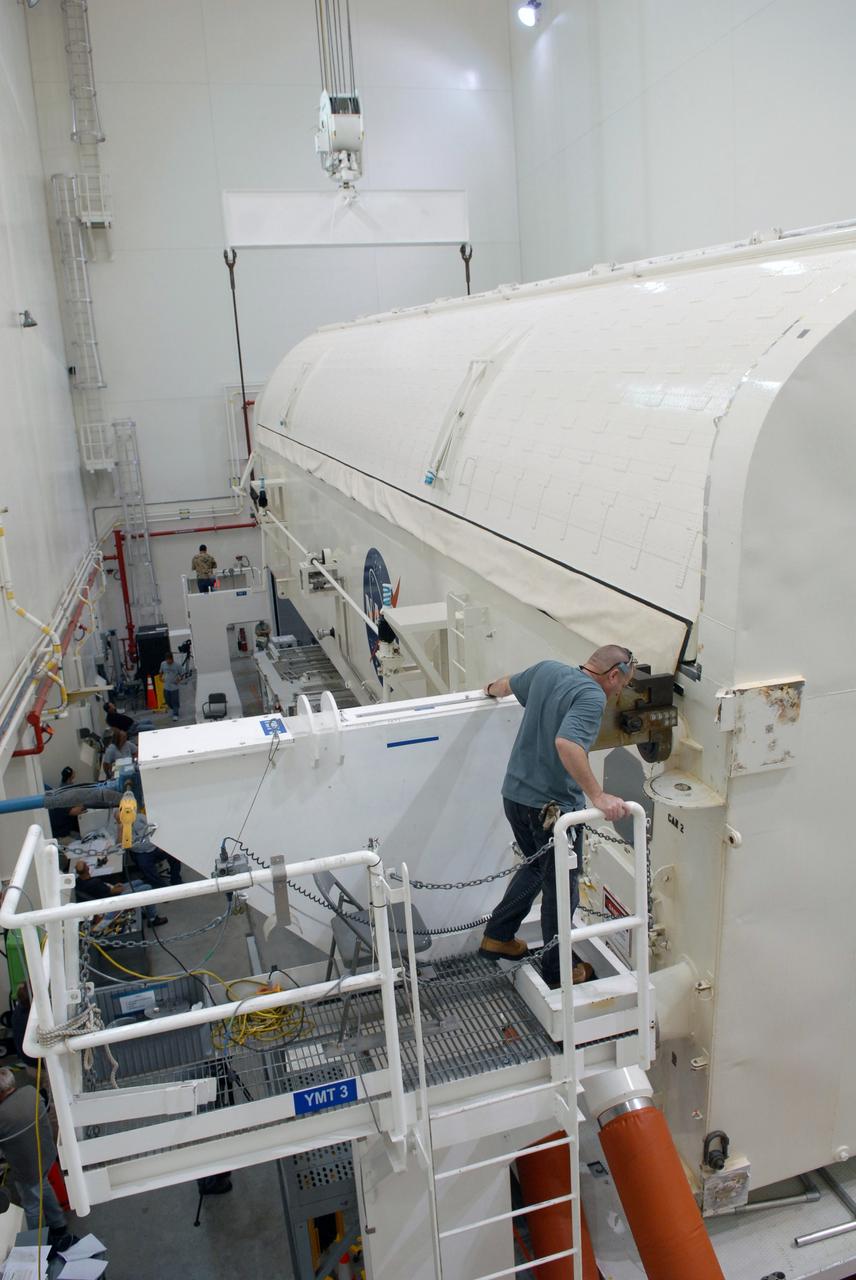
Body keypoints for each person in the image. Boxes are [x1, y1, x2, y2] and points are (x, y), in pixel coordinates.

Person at [479, 646, 636, 989]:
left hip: (514, 796)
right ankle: (558, 972)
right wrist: (598, 795)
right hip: (552, 812)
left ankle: (498, 935)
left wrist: (487, 690)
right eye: (621, 686)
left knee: (536, 869)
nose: (618, 694)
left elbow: (504, 685)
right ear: (612, 675)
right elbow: (567, 743)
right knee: (561, 891)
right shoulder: (592, 696)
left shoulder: (547, 669)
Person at [0, 1066, 71, 1244]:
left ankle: (38, 1244)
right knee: (44, 1187)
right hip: (46, 1156)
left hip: (26, 1169)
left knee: (31, 1205)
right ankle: (58, 1223)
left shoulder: (2, 1114)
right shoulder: (31, 1092)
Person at [74, 861, 168, 928]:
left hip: (108, 891)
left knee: (139, 881)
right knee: (147, 888)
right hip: (115, 898)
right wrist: (117, 888)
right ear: (87, 868)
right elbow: (114, 892)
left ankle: (146, 911)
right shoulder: (94, 883)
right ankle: (152, 918)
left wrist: (114, 886)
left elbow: (104, 889)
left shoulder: (79, 882)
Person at [117, 812, 183, 890]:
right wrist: (121, 827)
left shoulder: (140, 817)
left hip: (154, 847)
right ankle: (162, 888)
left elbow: (156, 828)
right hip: (141, 852)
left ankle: (176, 879)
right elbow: (121, 845)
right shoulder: (120, 828)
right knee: (144, 865)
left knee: (174, 853)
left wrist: (161, 843)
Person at [48, 766, 85, 840]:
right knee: (83, 838)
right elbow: (74, 811)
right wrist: (86, 804)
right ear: (70, 777)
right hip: (61, 833)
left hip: (64, 825)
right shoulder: (66, 793)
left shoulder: (62, 786)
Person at [159, 652, 182, 721]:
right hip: (166, 686)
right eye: (167, 660)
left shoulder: (177, 665)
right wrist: (160, 677)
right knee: (168, 701)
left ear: (172, 659)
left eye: (170, 660)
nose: (168, 661)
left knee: (175, 701)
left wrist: (178, 679)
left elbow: (182, 673)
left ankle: (175, 714)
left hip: (174, 687)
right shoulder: (163, 664)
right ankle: (175, 708)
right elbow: (161, 671)